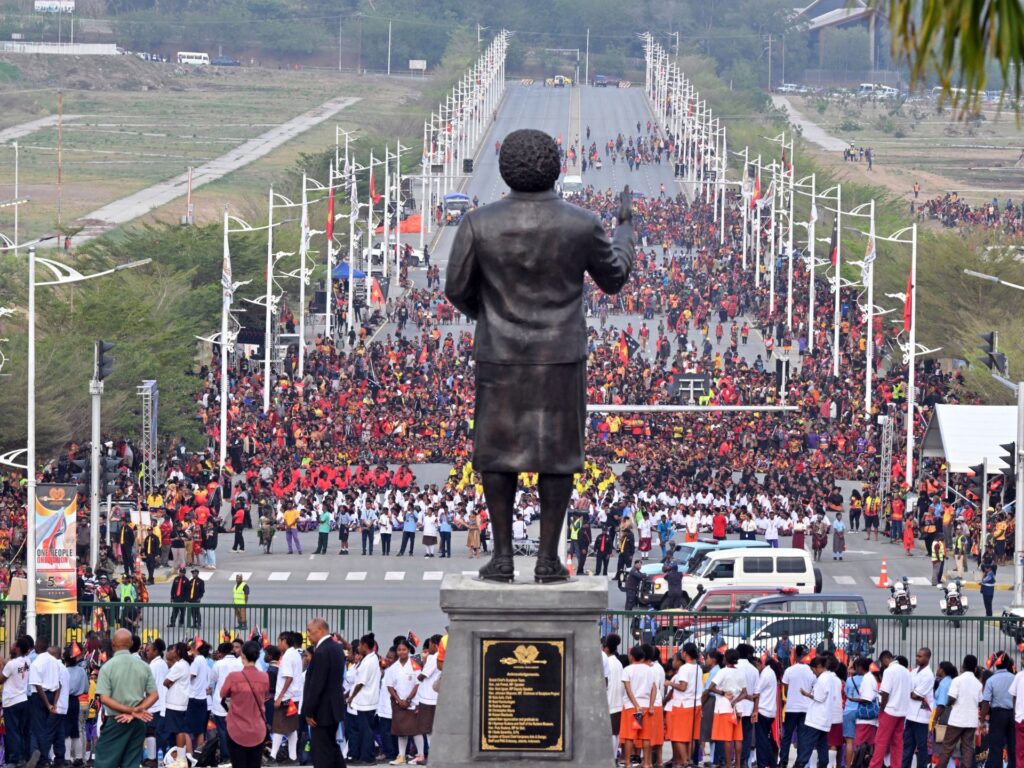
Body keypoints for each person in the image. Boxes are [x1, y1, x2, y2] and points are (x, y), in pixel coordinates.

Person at [445, 128, 634, 583]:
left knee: (497, 454)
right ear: (554, 166)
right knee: (558, 454)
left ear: (506, 168)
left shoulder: (478, 223)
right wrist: (626, 229)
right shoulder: (581, 223)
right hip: (560, 356)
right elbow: (614, 277)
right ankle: (549, 559)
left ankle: (503, 557)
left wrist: (492, 317)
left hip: (499, 355)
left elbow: (456, 288)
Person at [93, 629, 158, 768]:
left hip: (116, 720)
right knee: (131, 762)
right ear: (131, 643)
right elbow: (154, 695)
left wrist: (131, 711)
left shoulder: (107, 667)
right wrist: (136, 711)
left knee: (104, 761)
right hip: (138, 721)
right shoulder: (144, 666)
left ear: (113, 644)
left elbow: (104, 699)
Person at [301, 617, 348, 768]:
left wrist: (309, 711)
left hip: (321, 711)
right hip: (333, 708)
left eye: (310, 631)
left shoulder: (322, 651)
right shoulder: (336, 648)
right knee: (331, 747)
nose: (308, 635)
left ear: (320, 630)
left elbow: (317, 685)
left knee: (321, 753)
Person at [219, 640, 270, 768]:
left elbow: (223, 693)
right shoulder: (265, 677)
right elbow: (265, 695)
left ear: (243, 656)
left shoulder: (233, 677)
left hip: (236, 728)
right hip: (258, 729)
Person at [935, 655, 982, 768]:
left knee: (947, 747)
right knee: (967, 748)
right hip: (971, 721)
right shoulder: (978, 683)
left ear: (962, 666)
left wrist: (948, 704)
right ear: (975, 668)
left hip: (956, 720)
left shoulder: (957, 680)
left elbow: (951, 698)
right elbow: (981, 702)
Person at [385, 638, 423, 766]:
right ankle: (401, 756)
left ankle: (420, 755)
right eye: (399, 650)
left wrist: (408, 700)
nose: (401, 652)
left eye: (404, 649)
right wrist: (399, 700)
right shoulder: (393, 667)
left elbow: (417, 684)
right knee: (401, 731)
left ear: (409, 650)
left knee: (416, 730)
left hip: (413, 703)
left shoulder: (414, 664)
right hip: (399, 704)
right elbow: (390, 686)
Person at [870, 652, 911, 768]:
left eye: (882, 662)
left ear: (886, 659)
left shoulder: (889, 671)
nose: (882, 666)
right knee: (897, 742)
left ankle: (875, 766)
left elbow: (885, 693)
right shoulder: (906, 671)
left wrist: (882, 709)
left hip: (889, 711)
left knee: (881, 741)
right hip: (902, 711)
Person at [794, 656, 836, 768]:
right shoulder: (831, 677)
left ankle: (799, 765)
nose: (813, 673)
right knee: (822, 746)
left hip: (816, 719)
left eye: (813, 670)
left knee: (806, 746)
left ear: (818, 667)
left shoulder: (822, 679)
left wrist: (807, 694)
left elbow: (819, 697)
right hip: (824, 719)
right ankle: (822, 764)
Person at [27, 638, 62, 768]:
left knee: (37, 728)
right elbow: (59, 685)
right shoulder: (55, 662)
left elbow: (37, 685)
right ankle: (44, 757)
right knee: (47, 729)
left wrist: (47, 704)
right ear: (47, 646)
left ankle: (39, 756)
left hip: (39, 697)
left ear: (36, 646)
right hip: (52, 696)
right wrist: (54, 704)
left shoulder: (36, 663)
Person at [346, 634, 381, 764]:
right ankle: (363, 755)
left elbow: (360, 683)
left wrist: (351, 697)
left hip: (366, 701)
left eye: (360, 645)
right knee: (365, 730)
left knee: (366, 731)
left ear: (365, 645)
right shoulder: (370, 659)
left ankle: (368, 757)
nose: (358, 647)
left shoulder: (369, 661)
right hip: (366, 701)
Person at [780, 646, 815, 768]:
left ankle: (783, 761)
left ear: (795, 655)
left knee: (787, 735)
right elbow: (814, 689)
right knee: (802, 736)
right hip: (806, 708)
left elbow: (785, 689)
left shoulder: (789, 670)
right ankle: (800, 762)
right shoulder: (811, 672)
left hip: (792, 708)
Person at [271, 632, 303, 764]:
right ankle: (293, 758)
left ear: (284, 641)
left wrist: (279, 697)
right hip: (293, 697)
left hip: (286, 698)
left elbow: (289, 678)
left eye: (279, 641)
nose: (278, 644)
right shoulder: (295, 654)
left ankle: (272, 757)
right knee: (291, 728)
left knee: (278, 727)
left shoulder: (288, 656)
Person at [980, 652, 1015, 768]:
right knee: (1013, 745)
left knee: (996, 746)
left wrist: (982, 721)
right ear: (1008, 663)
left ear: (995, 663)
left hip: (998, 716)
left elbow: (985, 702)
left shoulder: (991, 680)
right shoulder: (1014, 678)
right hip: (1013, 715)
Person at [1, 637, 32, 767]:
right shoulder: (27, 661)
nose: (12, 646)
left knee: (13, 732)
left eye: (14, 645)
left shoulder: (11, 664)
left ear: (18, 648)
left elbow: (1, 679)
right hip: (23, 699)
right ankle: (24, 757)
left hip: (11, 702)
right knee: (21, 731)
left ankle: (15, 759)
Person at [210, 642, 243, 763]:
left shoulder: (218, 664)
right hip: (237, 702)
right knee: (237, 730)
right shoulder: (240, 663)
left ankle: (226, 758)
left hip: (220, 702)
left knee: (223, 730)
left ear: (221, 653)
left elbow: (212, 679)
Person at [903, 647, 934, 768]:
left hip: (922, 718)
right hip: (910, 715)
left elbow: (916, 695)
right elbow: (908, 690)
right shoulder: (914, 671)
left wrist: (911, 692)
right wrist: (911, 692)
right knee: (907, 747)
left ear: (927, 658)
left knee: (921, 748)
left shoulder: (928, 675)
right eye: (917, 655)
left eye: (920, 656)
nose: (917, 658)